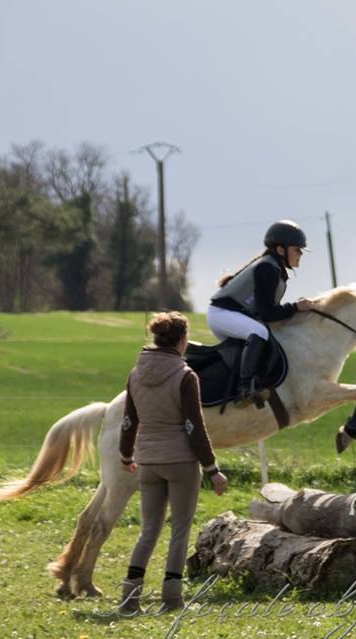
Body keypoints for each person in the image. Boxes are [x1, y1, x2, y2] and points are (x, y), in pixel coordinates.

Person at [117, 311, 228, 615]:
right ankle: (172, 599)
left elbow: (128, 421)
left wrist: (126, 456)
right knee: (180, 529)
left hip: (147, 461)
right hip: (180, 461)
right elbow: (194, 427)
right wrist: (212, 470)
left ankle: (129, 600)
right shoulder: (185, 375)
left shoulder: (135, 374)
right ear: (182, 340)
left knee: (148, 529)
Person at [208, 219, 315, 406]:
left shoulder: (274, 267)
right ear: (281, 250)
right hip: (222, 313)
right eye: (297, 249)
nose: (300, 254)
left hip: (230, 314)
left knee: (264, 334)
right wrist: (296, 308)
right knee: (259, 332)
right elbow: (268, 314)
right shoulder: (268, 268)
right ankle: (244, 389)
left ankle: (255, 381)